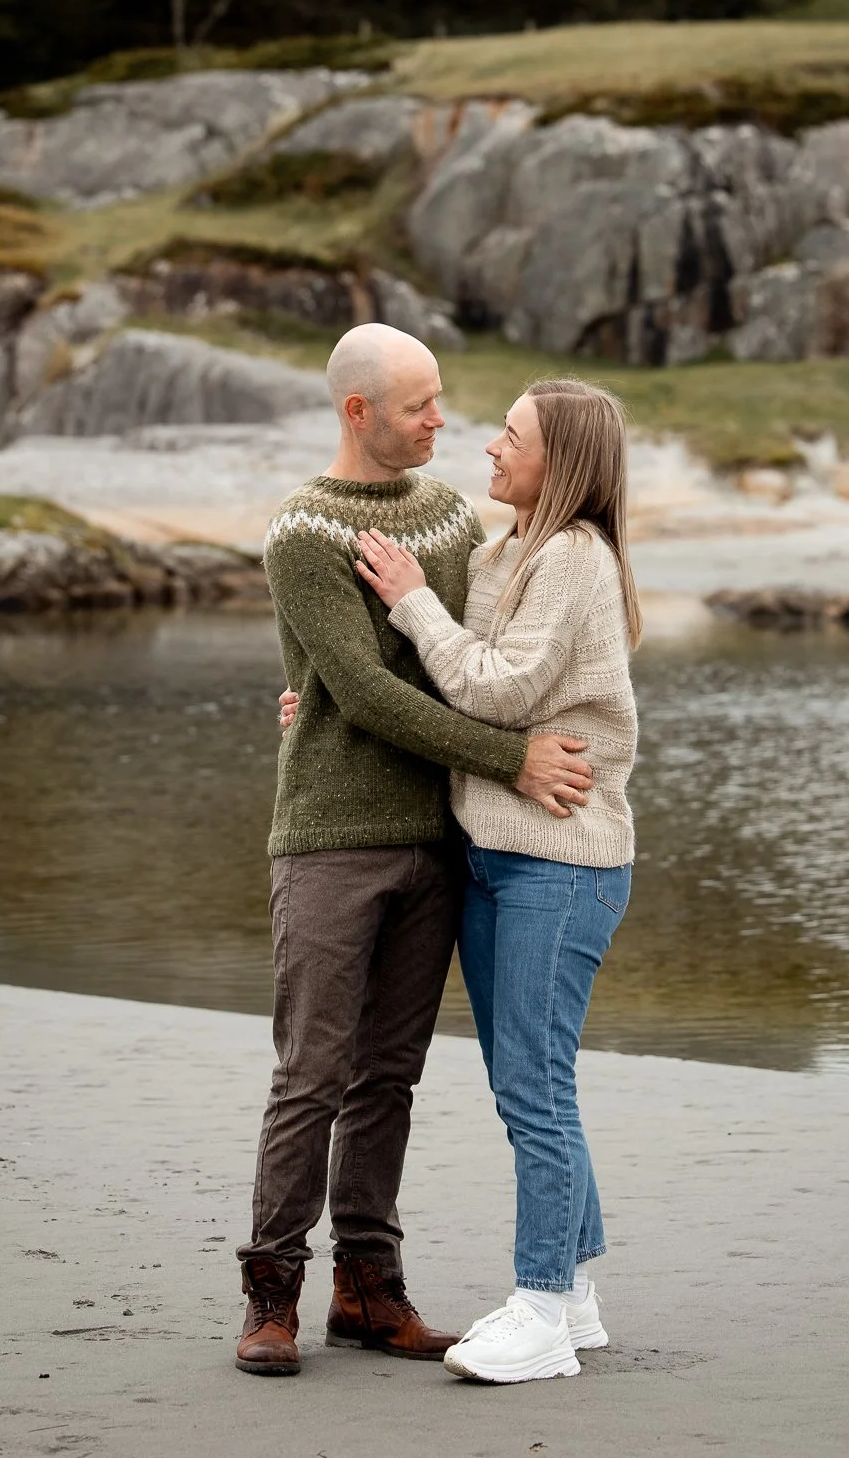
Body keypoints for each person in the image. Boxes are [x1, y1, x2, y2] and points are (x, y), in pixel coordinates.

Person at [236, 324, 597, 1377]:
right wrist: (514, 758)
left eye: (441, 399)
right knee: (310, 1072)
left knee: (389, 1075)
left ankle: (368, 1288)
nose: (445, 420)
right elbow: (369, 692)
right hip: (329, 841)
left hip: (440, 837)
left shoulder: (449, 515)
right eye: (420, 405)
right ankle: (271, 1293)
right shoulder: (303, 530)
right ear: (360, 412)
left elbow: (478, 654)